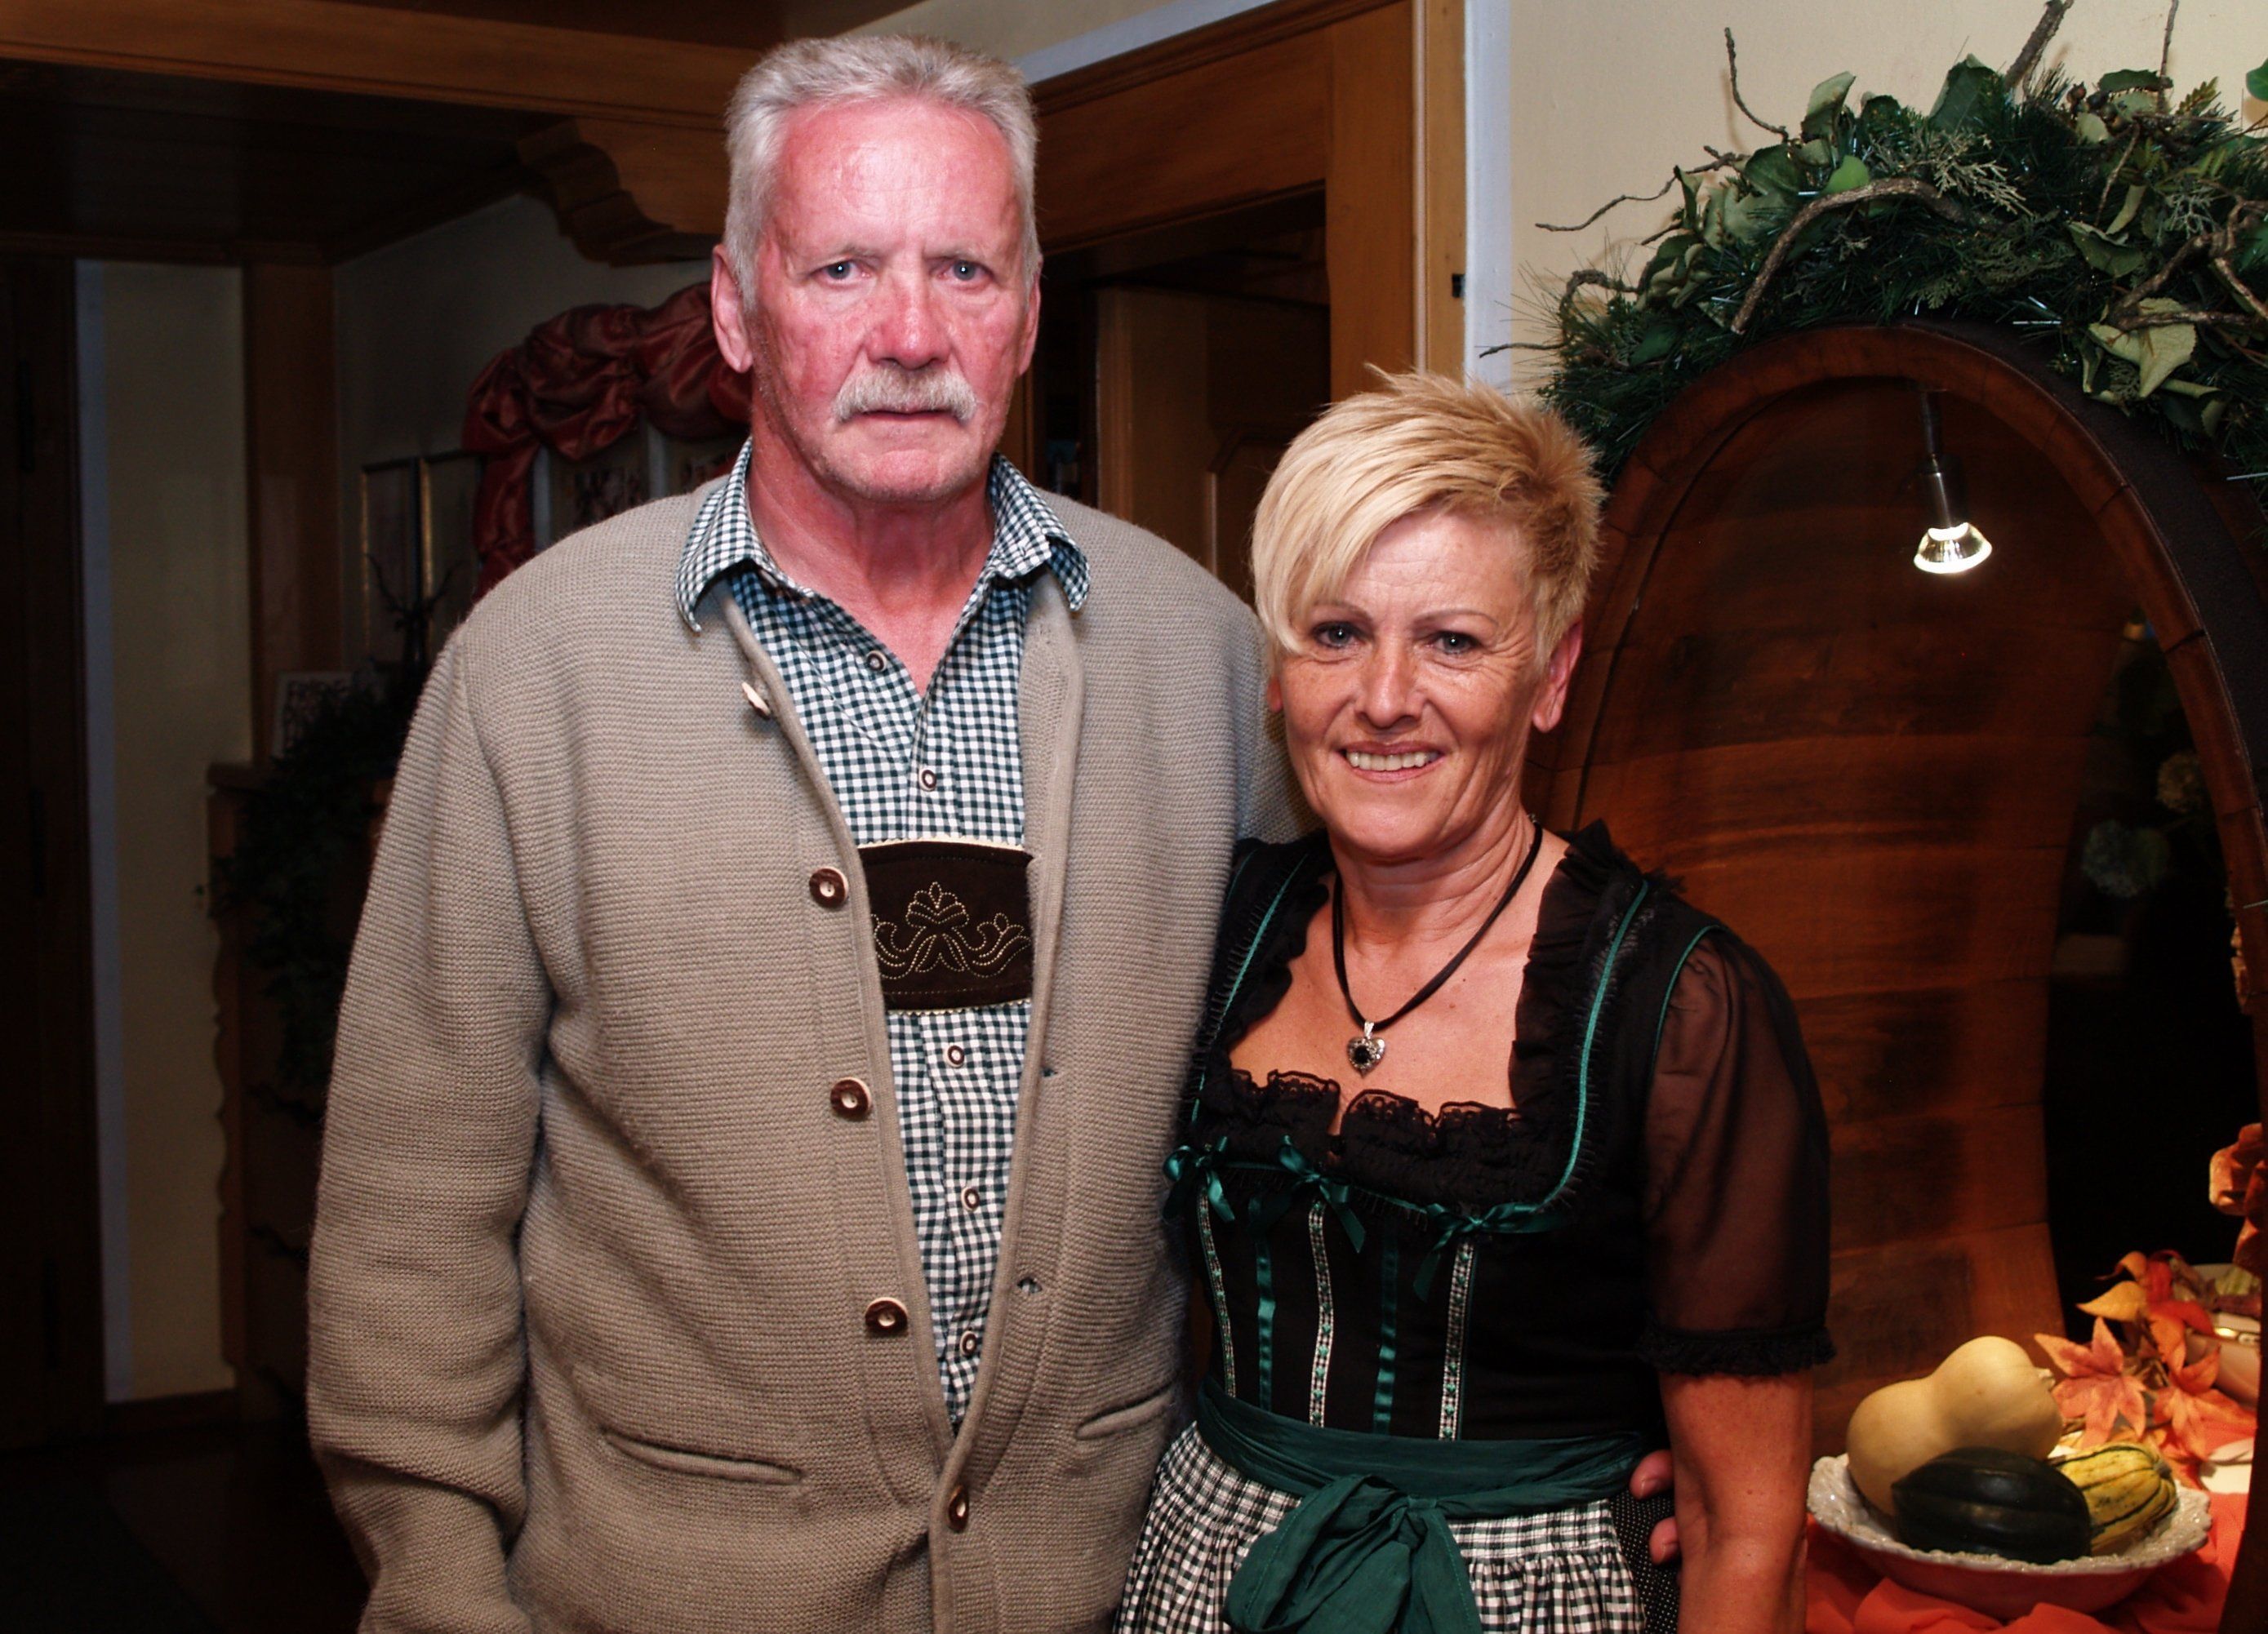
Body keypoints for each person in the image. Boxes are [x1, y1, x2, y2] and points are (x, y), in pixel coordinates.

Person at [307, 35, 1676, 1634]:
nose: (909, 334)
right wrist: (439, 1588)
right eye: (842, 267)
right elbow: (413, 1207)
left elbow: (1370, 1066)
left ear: (1028, 310)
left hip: (1118, 1588)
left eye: (964, 269)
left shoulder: (1199, 654)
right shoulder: (536, 670)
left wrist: (1595, 1406)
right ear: (737, 308)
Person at [1115, 372, 1832, 1634]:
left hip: (1539, 1598)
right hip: (1212, 1579)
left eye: (1451, 640)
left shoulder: (1681, 1008)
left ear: (1548, 675)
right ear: (1279, 671)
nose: (1385, 694)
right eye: (1335, 631)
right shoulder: (1216, 928)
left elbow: (1744, 1527)